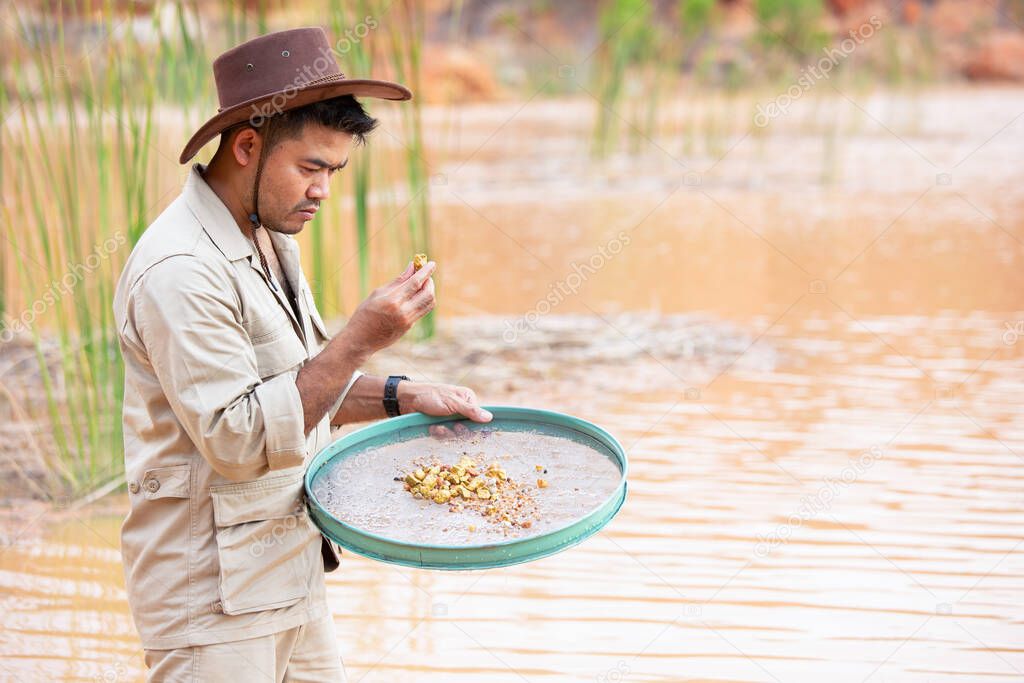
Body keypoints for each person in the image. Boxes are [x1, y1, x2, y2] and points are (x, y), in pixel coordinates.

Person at [112, 26, 492, 681]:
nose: (322, 190)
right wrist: (358, 339)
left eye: (334, 172)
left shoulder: (268, 236)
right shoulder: (180, 269)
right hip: (212, 601)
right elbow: (238, 439)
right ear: (247, 145)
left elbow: (302, 389)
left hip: (287, 572)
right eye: (311, 167)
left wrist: (405, 396)